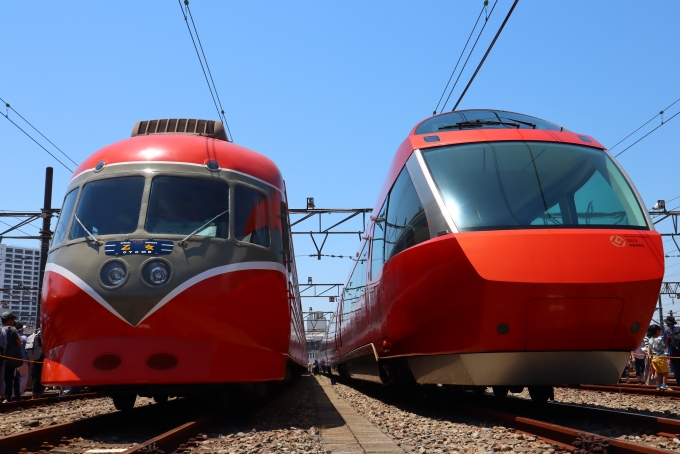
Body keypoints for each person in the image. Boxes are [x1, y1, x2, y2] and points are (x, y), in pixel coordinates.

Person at [1, 312, 24, 402]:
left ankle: (6, 397)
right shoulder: (12, 329)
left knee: (5, 378)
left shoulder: (1, 329)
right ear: (9, 320)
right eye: (13, 319)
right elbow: (19, 342)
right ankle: (16, 396)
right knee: (14, 377)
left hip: (2, 358)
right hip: (12, 358)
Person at [648, 324, 672, 390]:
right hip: (661, 357)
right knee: (666, 371)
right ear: (657, 331)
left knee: (657, 372)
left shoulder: (650, 340)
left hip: (654, 358)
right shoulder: (659, 339)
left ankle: (658, 385)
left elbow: (649, 348)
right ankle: (664, 385)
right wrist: (667, 340)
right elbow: (665, 346)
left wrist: (650, 355)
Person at [25, 328, 44, 399]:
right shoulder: (42, 335)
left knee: (35, 376)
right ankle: (36, 395)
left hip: (36, 357)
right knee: (39, 377)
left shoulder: (36, 334)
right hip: (41, 358)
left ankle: (36, 394)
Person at [15, 323, 29, 397]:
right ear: (21, 329)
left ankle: (13, 392)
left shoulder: (13, 337)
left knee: (14, 376)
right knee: (24, 375)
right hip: (24, 359)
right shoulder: (24, 338)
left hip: (14, 359)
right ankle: (21, 391)